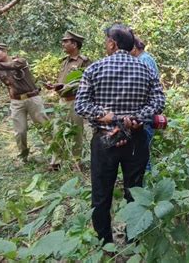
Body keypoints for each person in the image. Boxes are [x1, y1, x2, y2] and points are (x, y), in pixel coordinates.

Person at [75, 24, 165, 244]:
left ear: (112, 43)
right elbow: (159, 101)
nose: (106, 44)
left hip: (105, 140)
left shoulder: (94, 69)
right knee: (134, 190)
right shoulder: (146, 69)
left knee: (101, 193)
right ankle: (133, 239)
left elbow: (81, 105)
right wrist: (136, 117)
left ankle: (105, 242)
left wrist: (102, 113)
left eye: (107, 41)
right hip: (136, 139)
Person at [45, 31, 91, 170]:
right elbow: (62, 81)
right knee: (57, 130)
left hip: (75, 100)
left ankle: (77, 162)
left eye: (66, 41)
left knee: (76, 132)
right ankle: (55, 162)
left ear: (75, 44)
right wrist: (54, 86)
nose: (63, 44)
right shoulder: (65, 61)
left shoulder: (84, 61)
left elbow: (87, 81)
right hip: (62, 101)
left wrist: (68, 86)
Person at [130, 35, 159, 171]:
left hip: (145, 114)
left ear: (135, 48)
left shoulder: (144, 60)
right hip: (144, 112)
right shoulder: (144, 59)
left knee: (142, 152)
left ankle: (145, 185)